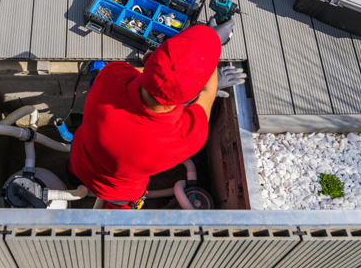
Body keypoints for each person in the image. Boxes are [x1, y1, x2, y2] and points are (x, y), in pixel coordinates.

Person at [67, 19, 246, 209]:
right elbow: (207, 95)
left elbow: (156, 78)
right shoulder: (186, 137)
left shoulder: (111, 75)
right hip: (118, 193)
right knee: (121, 208)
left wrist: (205, 40)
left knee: (74, 169)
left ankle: (69, 176)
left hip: (79, 158)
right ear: (193, 94)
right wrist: (210, 47)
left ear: (147, 58)